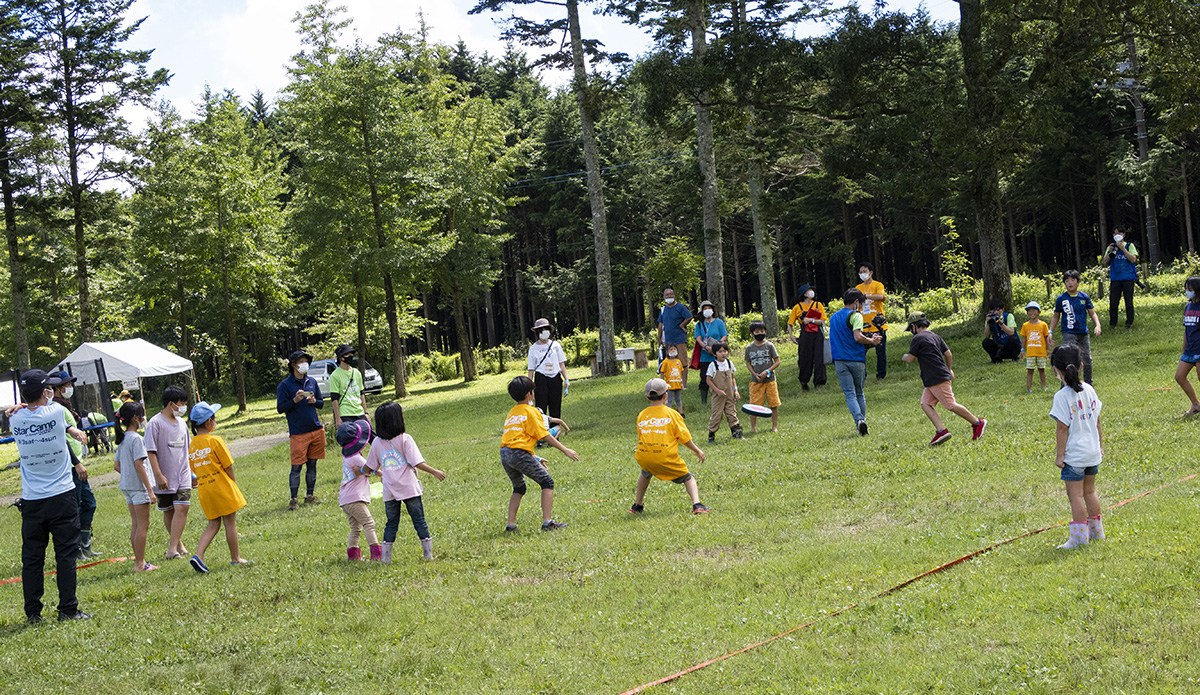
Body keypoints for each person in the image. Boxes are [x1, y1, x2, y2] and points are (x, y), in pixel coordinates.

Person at [11, 369, 92, 623]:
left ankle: (33, 613)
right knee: (65, 554)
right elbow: (58, 419)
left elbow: (26, 406)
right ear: (46, 391)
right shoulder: (56, 412)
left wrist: (20, 405)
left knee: (32, 558)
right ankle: (68, 609)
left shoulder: (14, 419)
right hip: (61, 495)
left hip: (32, 499)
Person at [364, 401, 447, 563]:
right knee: (419, 520)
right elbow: (417, 463)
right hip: (409, 487)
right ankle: (428, 555)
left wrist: (361, 471)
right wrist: (435, 472)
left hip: (389, 489)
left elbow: (370, 466)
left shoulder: (376, 442)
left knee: (391, 522)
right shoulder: (405, 439)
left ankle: (386, 559)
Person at [499, 376, 579, 532]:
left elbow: (515, 440)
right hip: (518, 453)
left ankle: (510, 525)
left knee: (519, 487)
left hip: (505, 454)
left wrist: (535, 458)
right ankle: (547, 523)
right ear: (529, 394)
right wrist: (565, 449)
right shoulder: (532, 411)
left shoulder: (512, 413)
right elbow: (544, 435)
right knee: (547, 482)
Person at [1048, 344, 1105, 549]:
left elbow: (1062, 429)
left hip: (1075, 457)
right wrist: (1099, 445)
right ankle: (1097, 533)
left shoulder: (1061, 397)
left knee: (1076, 496)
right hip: (1092, 452)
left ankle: (1080, 539)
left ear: (1055, 369)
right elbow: (1097, 421)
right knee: (1090, 492)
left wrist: (1060, 456)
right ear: (1081, 365)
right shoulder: (1089, 389)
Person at [901, 312, 987, 445]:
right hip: (933, 377)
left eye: (910, 329)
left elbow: (911, 359)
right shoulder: (935, 336)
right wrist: (949, 368)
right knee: (926, 404)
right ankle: (941, 431)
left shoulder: (917, 338)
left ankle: (977, 423)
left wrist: (904, 356)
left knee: (950, 405)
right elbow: (948, 354)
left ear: (913, 326)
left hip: (936, 377)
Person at [629, 378, 710, 515]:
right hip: (664, 457)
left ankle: (637, 505)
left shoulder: (642, 415)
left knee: (645, 473)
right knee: (688, 478)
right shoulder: (672, 414)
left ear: (647, 396)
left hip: (645, 457)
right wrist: (697, 450)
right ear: (666, 395)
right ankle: (697, 505)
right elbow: (685, 438)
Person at [187, 401, 251, 572]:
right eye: (213, 418)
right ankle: (235, 559)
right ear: (209, 422)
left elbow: (193, 468)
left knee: (213, 524)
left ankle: (198, 555)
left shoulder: (192, 444)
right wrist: (232, 484)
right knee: (230, 523)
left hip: (205, 490)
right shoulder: (215, 441)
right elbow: (228, 465)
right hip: (222, 487)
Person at [51, 371, 99, 560]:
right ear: (57, 387)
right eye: (66, 384)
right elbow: (61, 440)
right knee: (76, 507)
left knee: (89, 503)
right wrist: (76, 463)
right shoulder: (55, 408)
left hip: (77, 463)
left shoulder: (65, 407)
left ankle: (85, 545)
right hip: (71, 466)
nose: (69, 387)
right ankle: (76, 549)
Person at [145, 385, 192, 560]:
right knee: (169, 510)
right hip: (164, 475)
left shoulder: (181, 423)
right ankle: (178, 545)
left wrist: (192, 472)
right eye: (181, 403)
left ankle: (172, 549)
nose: (183, 407)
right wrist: (158, 474)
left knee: (183, 508)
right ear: (171, 403)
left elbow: (188, 448)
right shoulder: (155, 423)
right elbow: (150, 451)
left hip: (183, 474)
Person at [276, 350, 325, 511]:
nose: (304, 363)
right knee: (296, 467)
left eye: (306, 360)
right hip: (297, 432)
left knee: (312, 464)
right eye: (301, 360)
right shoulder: (284, 385)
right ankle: (294, 499)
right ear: (293, 365)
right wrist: (295, 400)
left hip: (315, 429)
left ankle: (310, 495)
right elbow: (280, 408)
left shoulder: (312, 381)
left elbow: (321, 403)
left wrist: (314, 401)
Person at [830, 288, 882, 436]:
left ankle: (858, 421)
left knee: (849, 393)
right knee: (859, 393)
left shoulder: (833, 317)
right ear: (856, 302)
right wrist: (872, 340)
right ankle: (862, 420)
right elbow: (857, 337)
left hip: (839, 360)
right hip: (856, 359)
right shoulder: (856, 315)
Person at [113, 401, 158, 572]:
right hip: (139, 488)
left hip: (128, 487)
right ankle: (140, 563)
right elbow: (139, 465)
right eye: (141, 415)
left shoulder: (123, 438)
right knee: (143, 524)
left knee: (136, 524)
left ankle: (139, 560)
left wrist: (128, 475)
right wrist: (149, 489)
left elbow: (117, 466)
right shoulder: (137, 439)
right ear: (135, 418)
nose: (143, 419)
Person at [335, 420, 381, 562]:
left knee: (356, 527)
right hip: (355, 499)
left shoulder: (347, 457)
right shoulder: (357, 458)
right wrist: (385, 474)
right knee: (369, 523)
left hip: (345, 499)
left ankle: (353, 556)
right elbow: (372, 469)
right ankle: (377, 555)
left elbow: (363, 470)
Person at [1049, 270, 1101, 384]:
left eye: (1073, 280)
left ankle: (1088, 384)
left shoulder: (1084, 297)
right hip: (1068, 332)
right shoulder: (1061, 299)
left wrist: (1097, 325)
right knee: (1068, 359)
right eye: (1067, 281)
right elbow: (1056, 316)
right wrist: (1050, 331)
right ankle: (1066, 383)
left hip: (1083, 332)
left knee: (1087, 359)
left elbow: (1092, 313)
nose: (1070, 283)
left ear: (1078, 282)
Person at [526, 318, 569, 420]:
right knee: (541, 408)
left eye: (546, 330)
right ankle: (542, 432)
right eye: (541, 331)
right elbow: (531, 369)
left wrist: (566, 379)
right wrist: (529, 387)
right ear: (537, 333)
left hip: (555, 377)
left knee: (555, 407)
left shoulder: (556, 345)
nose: (544, 333)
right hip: (541, 378)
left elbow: (561, 363)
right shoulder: (533, 349)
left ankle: (555, 433)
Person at [787, 283, 827, 390]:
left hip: (818, 333)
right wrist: (791, 336)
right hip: (805, 335)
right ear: (804, 294)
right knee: (805, 359)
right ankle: (804, 381)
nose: (811, 292)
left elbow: (823, 321)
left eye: (811, 290)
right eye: (808, 290)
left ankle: (819, 383)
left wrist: (811, 320)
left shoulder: (818, 305)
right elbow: (790, 323)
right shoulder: (797, 307)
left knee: (819, 358)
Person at [744, 321, 781, 433]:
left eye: (762, 331)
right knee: (754, 405)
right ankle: (753, 428)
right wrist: (755, 374)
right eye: (757, 331)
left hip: (770, 380)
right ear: (752, 334)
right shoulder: (749, 348)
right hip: (756, 381)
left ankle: (774, 426)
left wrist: (767, 371)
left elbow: (777, 361)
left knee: (773, 404)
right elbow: (748, 363)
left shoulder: (769, 345)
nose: (760, 333)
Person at [855, 262, 889, 382]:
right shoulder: (858, 288)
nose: (862, 274)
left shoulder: (878, 285)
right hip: (863, 325)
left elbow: (880, 296)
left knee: (880, 352)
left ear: (871, 272)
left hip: (878, 325)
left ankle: (881, 375)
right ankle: (862, 376)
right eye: (861, 272)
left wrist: (866, 297)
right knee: (861, 353)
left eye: (865, 271)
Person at [1102, 226, 1139, 330]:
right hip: (1115, 279)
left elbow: (1133, 259)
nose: (1117, 235)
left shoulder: (1129, 245)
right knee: (1113, 302)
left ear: (1124, 234)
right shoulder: (1111, 246)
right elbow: (1105, 262)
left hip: (1128, 278)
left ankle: (1129, 323)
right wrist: (1110, 251)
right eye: (1114, 234)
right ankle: (1113, 324)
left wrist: (1123, 249)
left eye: (1119, 233)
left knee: (1129, 302)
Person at [656, 287, 693, 388]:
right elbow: (660, 324)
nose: (669, 296)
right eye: (667, 295)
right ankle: (671, 383)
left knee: (682, 362)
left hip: (680, 338)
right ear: (664, 297)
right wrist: (659, 338)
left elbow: (689, 316)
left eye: (671, 294)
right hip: (668, 340)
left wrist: (682, 325)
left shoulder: (680, 307)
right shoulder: (663, 310)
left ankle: (683, 384)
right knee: (669, 362)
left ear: (674, 295)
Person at [693, 299, 729, 404]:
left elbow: (724, 335)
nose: (707, 310)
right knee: (704, 378)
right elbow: (698, 338)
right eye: (705, 309)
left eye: (709, 308)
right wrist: (705, 347)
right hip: (705, 356)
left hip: (718, 354)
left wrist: (718, 345)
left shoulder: (719, 322)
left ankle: (724, 396)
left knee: (722, 376)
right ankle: (704, 401)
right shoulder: (699, 325)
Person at [1174, 276, 1200, 417]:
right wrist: (1184, 349)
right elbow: (1186, 330)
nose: (1187, 291)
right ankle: (1196, 404)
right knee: (1179, 376)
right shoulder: (1188, 307)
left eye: (1190, 289)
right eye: (1186, 288)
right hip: (1190, 349)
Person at [706, 343, 743, 442]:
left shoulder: (729, 363)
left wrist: (736, 390)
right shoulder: (713, 365)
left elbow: (732, 377)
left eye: (725, 351)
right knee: (716, 415)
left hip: (730, 393)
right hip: (718, 395)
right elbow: (708, 380)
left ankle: (737, 433)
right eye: (720, 352)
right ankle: (711, 435)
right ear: (715, 353)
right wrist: (717, 390)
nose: (723, 354)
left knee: (732, 413)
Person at [329, 343, 368, 431]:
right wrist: (338, 418)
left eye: (351, 354)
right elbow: (334, 398)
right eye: (347, 354)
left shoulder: (356, 372)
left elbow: (362, 393)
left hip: (359, 411)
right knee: (350, 441)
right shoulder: (335, 375)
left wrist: (366, 412)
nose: (350, 356)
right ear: (341, 358)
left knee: (372, 437)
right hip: (345, 413)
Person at [1019, 301, 1053, 392]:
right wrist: (1022, 350)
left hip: (1041, 352)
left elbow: (1046, 338)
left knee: (1042, 369)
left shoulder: (1043, 325)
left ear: (1039, 312)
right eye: (1029, 311)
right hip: (1030, 353)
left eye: (1034, 310)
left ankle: (1044, 386)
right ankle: (1029, 388)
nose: (1032, 313)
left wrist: (1049, 350)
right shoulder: (1025, 325)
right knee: (1030, 371)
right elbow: (1024, 338)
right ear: (1027, 313)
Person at [981, 298, 1021, 363]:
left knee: (1013, 339)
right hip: (999, 348)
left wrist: (1001, 323)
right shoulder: (990, 319)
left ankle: (1015, 357)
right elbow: (987, 336)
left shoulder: (1008, 316)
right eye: (993, 310)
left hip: (1010, 347)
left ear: (1002, 309)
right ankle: (996, 359)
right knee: (986, 342)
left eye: (998, 310)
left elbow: (1011, 332)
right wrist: (988, 324)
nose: (996, 312)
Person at [657, 345, 685, 414]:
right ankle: (670, 413)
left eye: (674, 349)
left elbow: (680, 373)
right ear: (667, 352)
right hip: (669, 385)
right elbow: (662, 372)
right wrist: (662, 382)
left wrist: (681, 383)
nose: (673, 351)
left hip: (677, 384)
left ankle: (681, 413)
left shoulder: (678, 362)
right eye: (671, 349)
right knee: (669, 399)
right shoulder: (665, 362)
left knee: (678, 399)